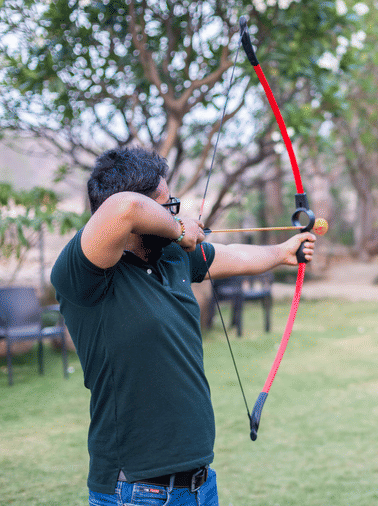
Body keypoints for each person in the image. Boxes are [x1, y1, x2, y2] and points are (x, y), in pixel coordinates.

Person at [51, 147, 316, 505]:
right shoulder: (85, 274)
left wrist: (282, 252)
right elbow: (123, 208)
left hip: (199, 484)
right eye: (166, 205)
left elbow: (230, 254)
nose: (175, 212)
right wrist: (178, 228)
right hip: (136, 492)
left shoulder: (172, 257)